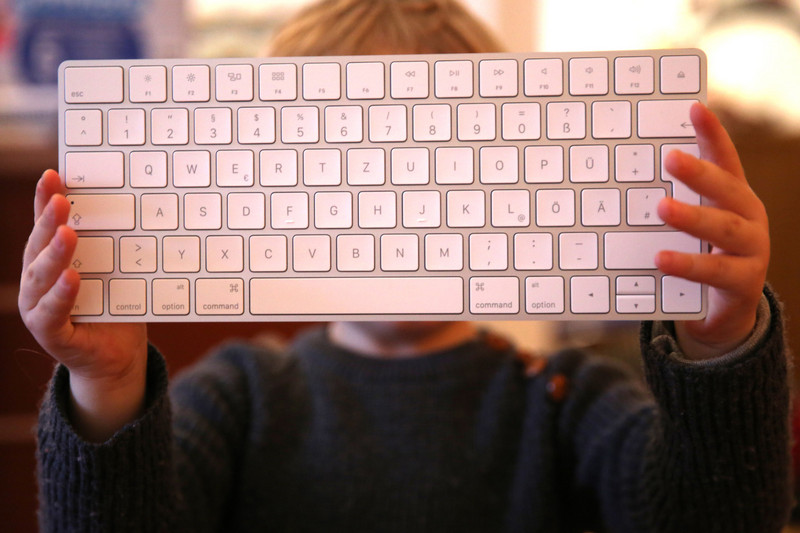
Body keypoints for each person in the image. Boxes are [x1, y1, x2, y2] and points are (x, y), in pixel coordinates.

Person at [21, 0, 790, 531]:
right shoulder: (243, 394)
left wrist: (720, 349)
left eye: (447, 165)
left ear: (505, 191)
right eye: (340, 164)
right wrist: (107, 386)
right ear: (281, 197)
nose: (398, 208)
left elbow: (711, 517)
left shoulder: (562, 400)